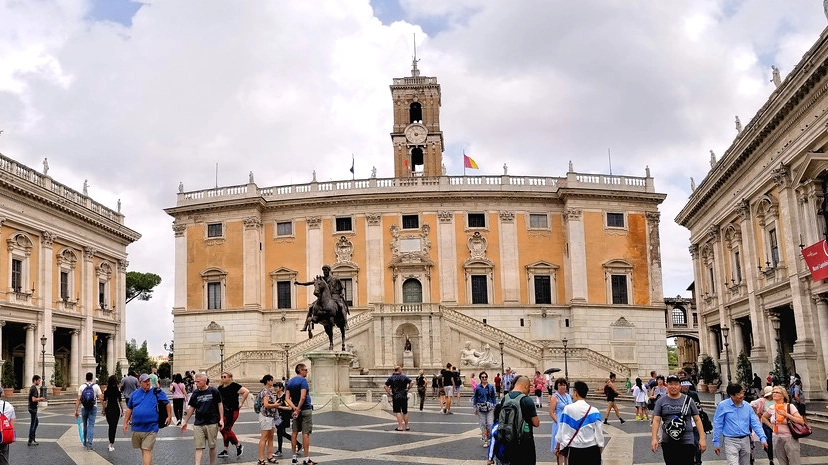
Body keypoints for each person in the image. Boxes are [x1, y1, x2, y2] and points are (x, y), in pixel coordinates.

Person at [651, 375, 707, 465]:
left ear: (680, 386)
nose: (673, 386)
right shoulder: (661, 401)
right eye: (670, 384)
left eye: (676, 384)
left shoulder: (689, 400)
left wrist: (702, 439)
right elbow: (656, 420)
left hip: (687, 440)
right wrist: (654, 439)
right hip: (668, 441)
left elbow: (697, 420)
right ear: (667, 385)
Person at [712, 383, 767, 465]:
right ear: (731, 395)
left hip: (745, 439)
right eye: (738, 394)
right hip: (730, 440)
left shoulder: (747, 406)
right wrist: (716, 442)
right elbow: (717, 424)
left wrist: (762, 438)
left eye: (742, 393)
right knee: (733, 463)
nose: (742, 395)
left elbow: (755, 423)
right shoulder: (723, 405)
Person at [123, 373, 171, 465]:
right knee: (145, 451)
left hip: (151, 427)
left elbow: (167, 403)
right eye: (145, 381)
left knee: (146, 449)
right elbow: (129, 408)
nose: (148, 383)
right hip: (137, 427)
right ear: (140, 383)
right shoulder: (135, 394)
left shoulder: (157, 392)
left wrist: (169, 416)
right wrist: (125, 422)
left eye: (148, 380)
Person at [181, 372, 224, 465]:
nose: (196, 384)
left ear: (204, 381)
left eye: (198, 382)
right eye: (195, 381)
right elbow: (192, 407)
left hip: (212, 422)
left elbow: (220, 405)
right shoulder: (195, 392)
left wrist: (221, 419)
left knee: (212, 446)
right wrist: (185, 421)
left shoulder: (214, 391)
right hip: (198, 423)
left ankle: (212, 463)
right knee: (198, 447)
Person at [554, 380, 602, 464]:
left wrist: (557, 447)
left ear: (576, 393)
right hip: (592, 450)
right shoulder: (595, 411)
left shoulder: (568, 409)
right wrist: (599, 451)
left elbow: (561, 431)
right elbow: (599, 435)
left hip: (575, 451)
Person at [295, 264, 349, 332]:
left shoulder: (335, 279)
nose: (324, 272)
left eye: (326, 270)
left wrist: (342, 293)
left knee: (341, 306)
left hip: (334, 296)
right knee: (311, 307)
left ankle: (346, 323)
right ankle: (305, 325)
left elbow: (342, 287)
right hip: (325, 297)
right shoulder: (321, 279)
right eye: (323, 270)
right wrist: (299, 283)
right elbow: (310, 283)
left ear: (329, 271)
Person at [762, 385, 805, 465]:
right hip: (777, 438)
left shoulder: (790, 406)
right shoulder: (772, 407)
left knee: (794, 462)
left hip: (789, 438)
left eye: (777, 392)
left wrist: (786, 414)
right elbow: (763, 417)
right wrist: (771, 426)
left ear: (783, 395)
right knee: (782, 462)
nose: (774, 394)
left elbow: (801, 421)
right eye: (773, 392)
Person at [504, 375, 540, 465]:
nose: (530, 390)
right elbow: (536, 423)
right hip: (525, 440)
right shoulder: (527, 400)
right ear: (526, 386)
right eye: (529, 387)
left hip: (508, 439)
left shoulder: (505, 398)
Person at [217, 371, 250, 458]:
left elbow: (246, 391)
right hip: (223, 411)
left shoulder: (234, 386)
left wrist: (241, 403)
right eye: (222, 377)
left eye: (225, 377)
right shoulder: (220, 388)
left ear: (230, 378)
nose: (223, 378)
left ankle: (238, 445)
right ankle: (225, 450)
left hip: (233, 411)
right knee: (222, 429)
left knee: (227, 429)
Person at [286, 363, 314, 465]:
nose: (307, 371)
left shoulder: (290, 382)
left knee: (294, 433)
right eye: (306, 370)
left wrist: (294, 408)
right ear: (301, 370)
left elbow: (287, 398)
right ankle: (306, 458)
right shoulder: (303, 381)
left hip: (295, 411)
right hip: (305, 409)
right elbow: (303, 397)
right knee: (305, 434)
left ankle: (294, 457)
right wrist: (298, 409)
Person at [74, 371, 103, 450]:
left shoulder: (81, 387)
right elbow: (100, 398)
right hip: (93, 407)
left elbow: (78, 399)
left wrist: (76, 410)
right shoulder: (96, 386)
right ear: (92, 378)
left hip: (84, 407)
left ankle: (84, 442)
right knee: (91, 425)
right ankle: (89, 444)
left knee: (85, 425)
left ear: (86, 378)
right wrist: (104, 407)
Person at [273, 380, 302, 458]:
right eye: (274, 387)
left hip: (284, 417)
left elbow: (289, 408)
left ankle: (279, 450)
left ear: (281, 388)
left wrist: (278, 406)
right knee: (283, 433)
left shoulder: (285, 397)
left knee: (280, 432)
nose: (275, 388)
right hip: (278, 417)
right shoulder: (276, 396)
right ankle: (298, 444)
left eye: (276, 387)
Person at [548, 377, 573, 465]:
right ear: (557, 386)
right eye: (560, 385)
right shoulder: (555, 397)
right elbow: (551, 412)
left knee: (567, 447)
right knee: (559, 449)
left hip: (569, 423)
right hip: (559, 422)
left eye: (564, 385)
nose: (562, 387)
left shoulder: (568, 396)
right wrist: (558, 422)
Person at [256, 375, 279, 464]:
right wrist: (275, 405)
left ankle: (270, 456)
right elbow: (266, 405)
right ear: (268, 381)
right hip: (265, 416)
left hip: (271, 416)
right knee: (264, 438)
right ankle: (261, 458)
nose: (273, 382)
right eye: (272, 380)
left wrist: (275, 404)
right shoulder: (265, 392)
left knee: (270, 437)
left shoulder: (269, 391)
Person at [751, 386, 774, 465]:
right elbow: (752, 404)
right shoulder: (762, 400)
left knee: (776, 440)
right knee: (769, 441)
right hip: (766, 422)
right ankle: (771, 458)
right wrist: (758, 412)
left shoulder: (776, 400)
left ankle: (770, 450)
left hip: (775, 422)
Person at [385, 365, 412, 431]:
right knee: (405, 411)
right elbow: (412, 382)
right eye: (401, 369)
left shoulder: (391, 378)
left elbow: (385, 386)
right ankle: (407, 426)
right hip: (404, 395)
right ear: (399, 370)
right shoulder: (404, 377)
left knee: (398, 411)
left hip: (396, 396)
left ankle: (400, 426)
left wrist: (389, 393)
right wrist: (408, 389)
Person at [473, 370, 496, 447]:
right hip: (480, 408)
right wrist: (475, 407)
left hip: (490, 408)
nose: (484, 378)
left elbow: (493, 397)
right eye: (483, 377)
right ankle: (485, 440)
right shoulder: (478, 388)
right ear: (480, 378)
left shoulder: (491, 387)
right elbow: (475, 397)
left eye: (485, 377)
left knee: (490, 424)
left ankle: (489, 439)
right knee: (483, 424)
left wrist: (494, 405)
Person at [102, 375, 123, 452]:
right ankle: (111, 443)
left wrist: (103, 410)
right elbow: (120, 401)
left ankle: (110, 442)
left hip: (109, 409)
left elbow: (104, 402)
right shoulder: (117, 391)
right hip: (116, 409)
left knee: (111, 426)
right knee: (114, 426)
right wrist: (122, 410)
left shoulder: (106, 391)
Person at [27, 374, 46, 446]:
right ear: (35, 380)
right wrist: (40, 399)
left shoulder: (32, 388)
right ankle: (31, 439)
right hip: (33, 408)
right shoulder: (34, 388)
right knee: (33, 424)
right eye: (38, 380)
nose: (39, 382)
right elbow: (33, 399)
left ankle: (32, 438)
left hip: (31, 408)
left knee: (36, 422)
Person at [0, 397, 16, 464]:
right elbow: (13, 420)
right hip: (4, 435)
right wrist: (11, 433)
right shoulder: (8, 405)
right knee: (4, 455)